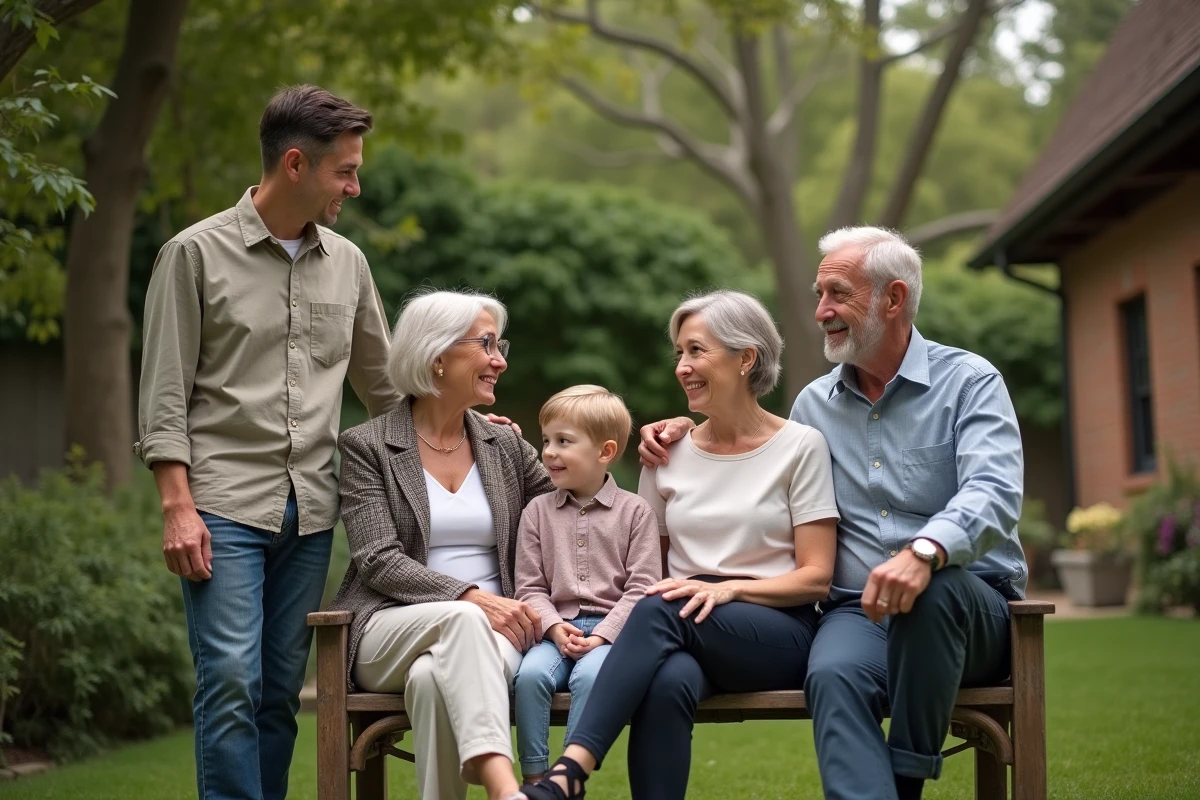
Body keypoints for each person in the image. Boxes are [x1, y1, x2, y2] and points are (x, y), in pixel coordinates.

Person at [638, 228, 1028, 800]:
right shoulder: (814, 406)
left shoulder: (968, 382)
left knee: (935, 591)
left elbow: (994, 491)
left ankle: (906, 777)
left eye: (837, 294)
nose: (821, 312)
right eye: (819, 295)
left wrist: (925, 552)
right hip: (858, 613)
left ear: (893, 299)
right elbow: (748, 448)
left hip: (969, 611)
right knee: (832, 673)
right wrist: (682, 431)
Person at [136, 85, 396, 800]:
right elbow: (163, 395)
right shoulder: (192, 255)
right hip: (221, 506)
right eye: (344, 171)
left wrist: (469, 426)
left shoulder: (349, 265)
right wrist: (175, 506)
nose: (355, 184)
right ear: (293, 165)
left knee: (280, 690)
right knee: (229, 683)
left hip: (312, 511)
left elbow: (387, 389)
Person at [522, 291, 840, 800]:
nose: (682, 367)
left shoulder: (801, 446)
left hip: (774, 626)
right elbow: (656, 560)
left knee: (661, 605)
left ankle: (568, 773)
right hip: (682, 620)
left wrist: (730, 591)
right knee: (667, 683)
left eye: (696, 351)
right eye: (679, 354)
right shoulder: (666, 452)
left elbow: (816, 576)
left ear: (746, 358)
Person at [327, 289, 554, 800]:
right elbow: (378, 560)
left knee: (432, 680)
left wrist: (659, 447)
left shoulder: (505, 445)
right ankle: (503, 786)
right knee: (463, 618)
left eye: (501, 346)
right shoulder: (368, 446)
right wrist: (470, 597)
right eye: (487, 345)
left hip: (500, 630)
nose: (499, 361)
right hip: (389, 624)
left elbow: (571, 503)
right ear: (437, 357)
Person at [513, 385, 662, 784]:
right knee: (529, 677)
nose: (548, 452)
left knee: (592, 678)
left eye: (564, 441)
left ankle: (569, 779)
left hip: (611, 636)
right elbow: (529, 587)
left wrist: (602, 637)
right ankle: (533, 778)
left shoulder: (636, 513)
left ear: (605, 451)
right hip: (554, 632)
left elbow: (643, 588)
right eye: (546, 440)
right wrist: (555, 629)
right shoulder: (536, 512)